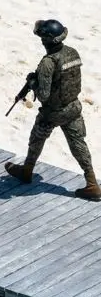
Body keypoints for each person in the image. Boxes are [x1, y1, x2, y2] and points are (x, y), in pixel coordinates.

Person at [5, 19, 101, 201]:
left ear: (45, 40)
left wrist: (34, 83)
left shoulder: (48, 62)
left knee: (36, 139)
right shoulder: (72, 52)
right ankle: (92, 183)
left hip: (53, 112)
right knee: (78, 145)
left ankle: (27, 170)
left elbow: (43, 96)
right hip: (73, 107)